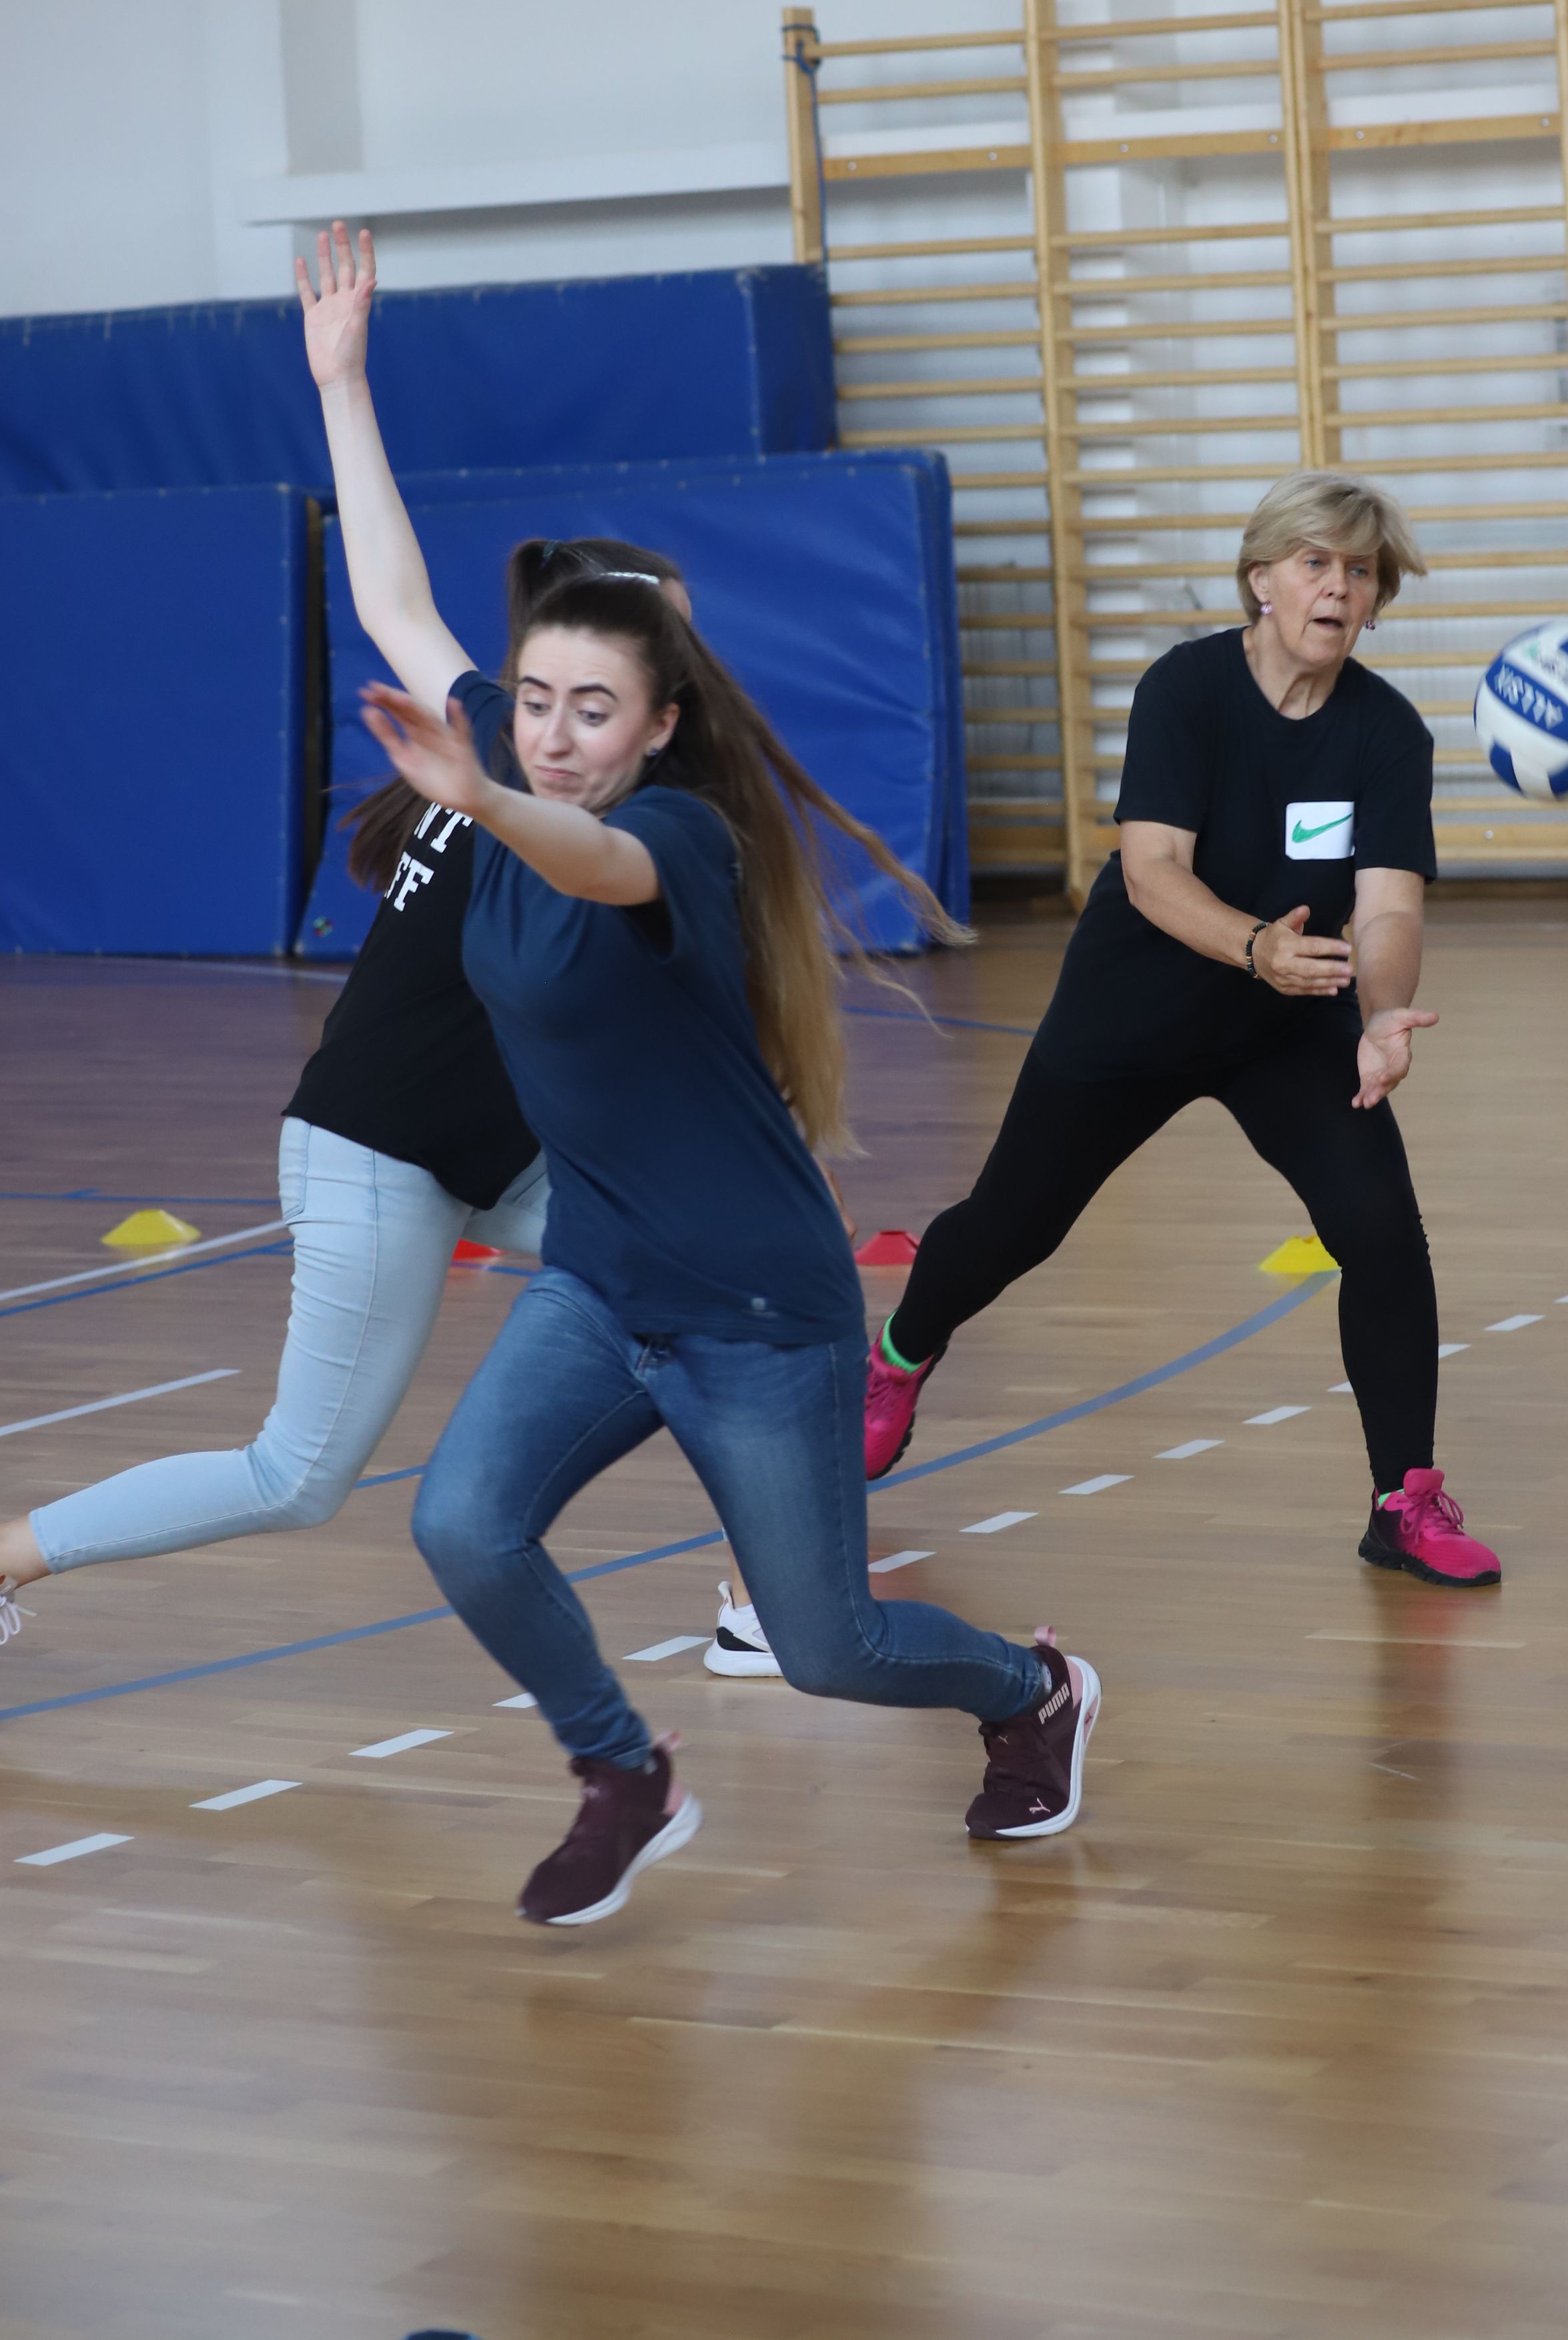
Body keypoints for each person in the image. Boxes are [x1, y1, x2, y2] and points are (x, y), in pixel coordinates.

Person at [300, 222, 1099, 1924]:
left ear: (658, 726)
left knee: (829, 1648)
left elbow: (589, 866)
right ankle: (624, 1771)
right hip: (602, 1286)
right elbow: (389, 598)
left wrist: (487, 797)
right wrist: (344, 385)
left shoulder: (678, 840)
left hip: (755, 1313)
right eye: (531, 701)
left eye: (591, 709)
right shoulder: (511, 760)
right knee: (463, 1525)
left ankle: (1032, 1691)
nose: (551, 730)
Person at [0, 530, 673, 1628]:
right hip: (378, 1156)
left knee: (708, 1278)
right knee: (296, 1478)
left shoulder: (576, 777)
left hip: (493, 1155)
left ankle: (772, 1592)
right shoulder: (524, 764)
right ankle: (9, 1556)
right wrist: (345, 415)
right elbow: (394, 602)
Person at [863, 467, 1500, 1591]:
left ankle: (1403, 1501)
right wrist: (1255, 946)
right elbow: (1153, 870)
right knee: (1012, 1226)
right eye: (1315, 563)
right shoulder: (1187, 691)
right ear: (1261, 581)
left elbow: (1388, 908)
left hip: (1288, 1021)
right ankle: (901, 1352)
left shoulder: (1387, 734)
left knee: (1382, 1230)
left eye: (1360, 572)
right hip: (1138, 1005)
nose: (1338, 588)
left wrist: (1382, 1012)